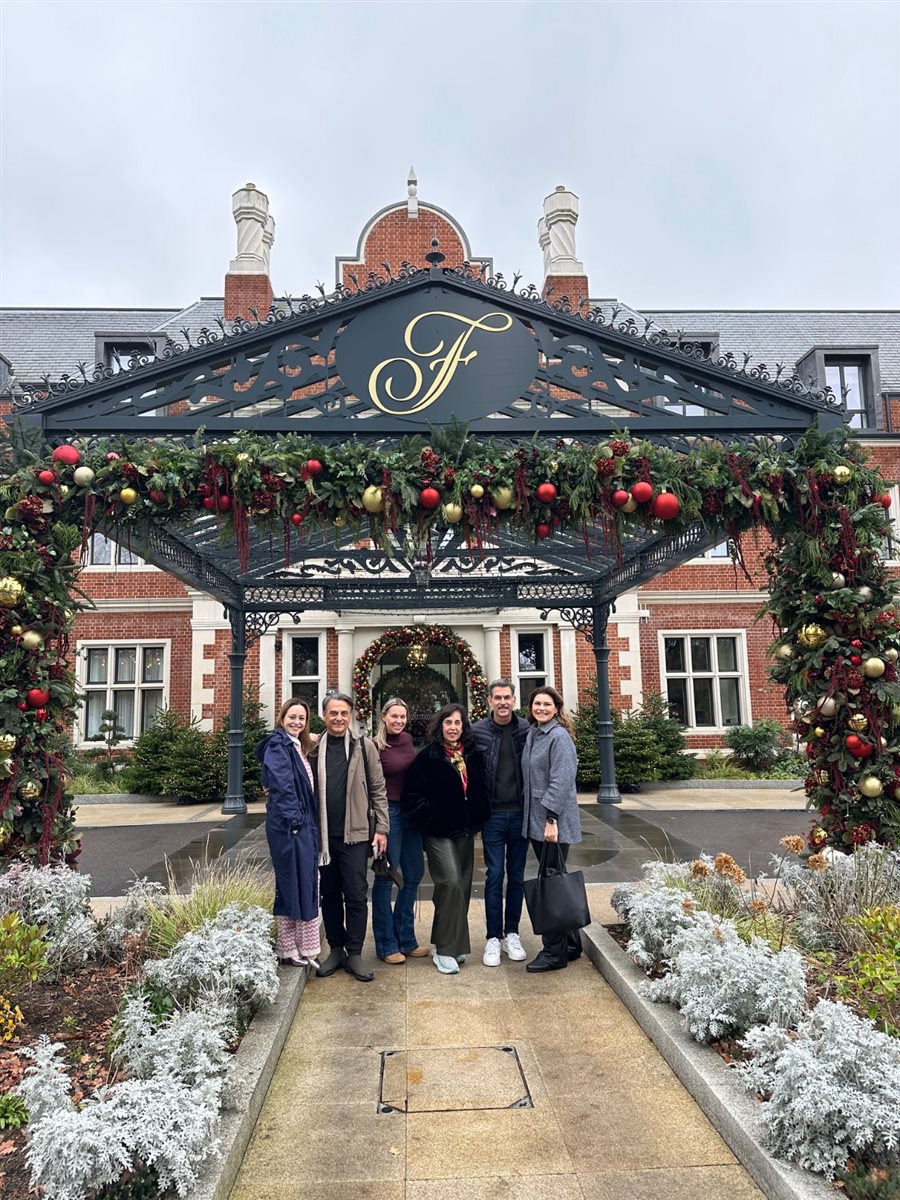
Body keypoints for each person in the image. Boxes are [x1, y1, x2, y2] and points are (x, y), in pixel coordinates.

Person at [401, 703, 489, 974]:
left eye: (457, 723)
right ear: (440, 727)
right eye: (448, 723)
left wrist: (478, 816)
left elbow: (481, 788)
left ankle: (453, 943)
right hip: (438, 832)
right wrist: (431, 816)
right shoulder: (427, 757)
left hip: (465, 831)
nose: (453, 728)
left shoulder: (472, 755)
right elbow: (411, 796)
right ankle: (444, 947)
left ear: (464, 727)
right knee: (449, 882)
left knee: (462, 886)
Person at [309, 692, 388, 982]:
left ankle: (355, 952)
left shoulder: (364, 747)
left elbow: (378, 790)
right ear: (324, 716)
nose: (339, 718)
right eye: (333, 713)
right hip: (323, 838)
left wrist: (381, 829)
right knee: (328, 895)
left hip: (355, 835)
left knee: (355, 894)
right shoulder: (314, 748)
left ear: (352, 715)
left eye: (344, 713)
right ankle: (337, 949)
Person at [521, 685, 583, 973]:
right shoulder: (535, 733)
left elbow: (561, 780)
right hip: (537, 821)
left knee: (549, 884)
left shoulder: (558, 737)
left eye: (546, 704)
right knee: (555, 877)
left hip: (551, 823)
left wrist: (551, 819)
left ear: (556, 708)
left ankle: (553, 952)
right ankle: (571, 944)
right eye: (537, 704)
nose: (541, 708)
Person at [257, 698, 321, 968]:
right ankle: (289, 949)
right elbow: (283, 786)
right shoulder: (278, 744)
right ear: (282, 717)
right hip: (290, 827)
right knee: (292, 885)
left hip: (300, 824)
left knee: (304, 881)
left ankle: (302, 947)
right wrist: (296, 822)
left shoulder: (295, 745)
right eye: (292, 717)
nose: (297, 722)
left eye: (302, 718)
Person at [472, 678, 530, 967]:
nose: (503, 702)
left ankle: (512, 933)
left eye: (507, 697)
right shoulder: (478, 732)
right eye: (498, 698)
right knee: (494, 876)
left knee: (517, 877)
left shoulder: (526, 730)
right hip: (493, 816)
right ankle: (493, 937)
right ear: (490, 701)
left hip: (521, 815)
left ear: (514, 699)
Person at [371, 697, 429, 964]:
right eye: (393, 716)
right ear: (383, 716)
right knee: (386, 877)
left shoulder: (406, 740)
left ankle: (406, 938)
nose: (398, 721)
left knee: (415, 873)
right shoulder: (374, 746)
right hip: (389, 816)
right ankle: (386, 944)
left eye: (402, 716)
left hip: (410, 815)